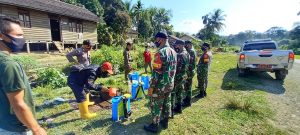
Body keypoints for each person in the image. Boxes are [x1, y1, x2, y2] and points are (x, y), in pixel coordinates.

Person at [0, 16, 47, 135]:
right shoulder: (9, 65)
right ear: (1, 36)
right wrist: (36, 129)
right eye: (18, 35)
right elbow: (18, 105)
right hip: (15, 128)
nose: (22, 39)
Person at [144, 32, 177, 133]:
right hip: (170, 84)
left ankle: (154, 125)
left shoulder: (160, 53)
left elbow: (156, 73)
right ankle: (165, 121)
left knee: (156, 105)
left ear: (161, 39)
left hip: (160, 86)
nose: (155, 42)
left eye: (156, 39)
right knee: (167, 103)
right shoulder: (173, 51)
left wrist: (151, 87)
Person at [171, 39, 189, 116]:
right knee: (180, 92)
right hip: (183, 76)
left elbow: (176, 68)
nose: (175, 46)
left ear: (181, 45)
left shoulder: (180, 55)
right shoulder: (187, 53)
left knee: (172, 93)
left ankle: (170, 111)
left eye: (177, 45)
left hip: (178, 77)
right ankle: (179, 107)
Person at [183, 40, 196, 107]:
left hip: (189, 72)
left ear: (190, 44)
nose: (185, 46)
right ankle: (186, 99)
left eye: (186, 44)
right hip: (188, 71)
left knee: (188, 86)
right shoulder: (190, 51)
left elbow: (189, 63)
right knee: (186, 86)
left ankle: (188, 102)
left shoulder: (191, 51)